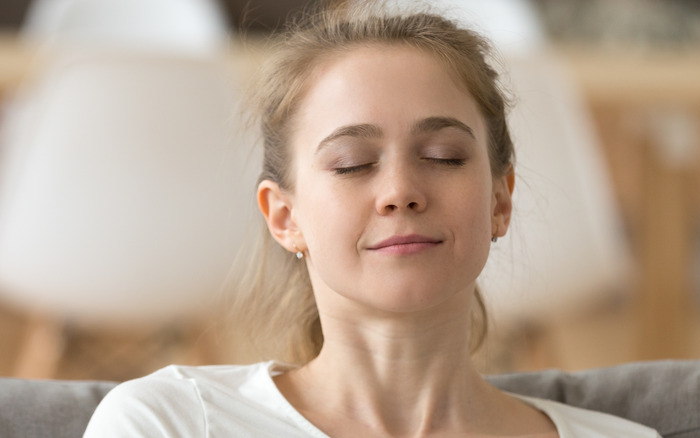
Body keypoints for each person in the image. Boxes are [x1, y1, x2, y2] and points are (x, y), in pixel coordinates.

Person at [84, 2, 661, 437]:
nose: (400, 192)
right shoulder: (170, 423)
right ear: (285, 217)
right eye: (352, 164)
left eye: (443, 157)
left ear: (499, 201)